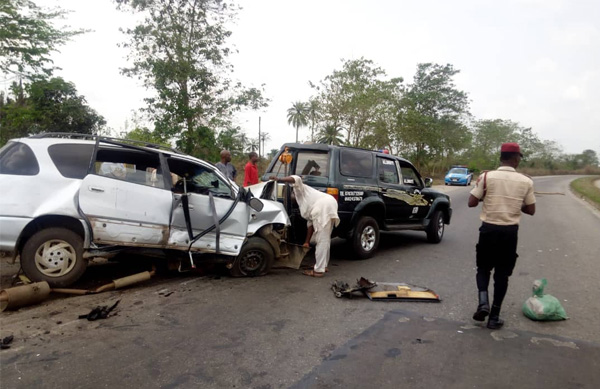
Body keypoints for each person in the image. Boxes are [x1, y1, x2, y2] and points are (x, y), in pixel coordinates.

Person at [468, 142, 536, 329]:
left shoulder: (486, 177)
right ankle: (494, 316)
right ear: (515, 159)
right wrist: (517, 203)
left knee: (483, 268)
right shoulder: (526, 181)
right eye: (519, 158)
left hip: (488, 230)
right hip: (509, 233)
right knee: (502, 275)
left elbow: (471, 202)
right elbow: (531, 210)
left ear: (501, 157)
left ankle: (483, 303)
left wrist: (484, 195)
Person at [269, 175, 340, 277]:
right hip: (328, 203)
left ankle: (319, 271)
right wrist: (306, 242)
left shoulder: (300, 190)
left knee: (321, 240)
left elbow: (296, 179)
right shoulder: (304, 202)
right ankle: (322, 266)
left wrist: (279, 179)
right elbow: (310, 224)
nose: (291, 197)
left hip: (324, 206)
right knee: (325, 239)